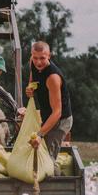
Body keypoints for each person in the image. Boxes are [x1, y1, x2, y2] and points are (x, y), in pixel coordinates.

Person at [27, 41, 73, 173]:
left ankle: (57, 183)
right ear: (32, 55)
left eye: (42, 58)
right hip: (47, 116)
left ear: (49, 56)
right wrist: (30, 89)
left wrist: (40, 135)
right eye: (35, 58)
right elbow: (32, 81)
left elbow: (57, 112)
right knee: (36, 152)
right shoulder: (33, 63)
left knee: (47, 158)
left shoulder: (53, 77)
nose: (38, 62)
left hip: (60, 120)